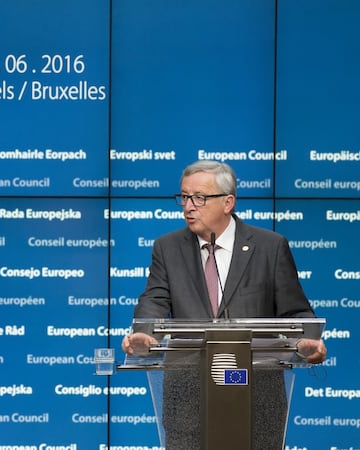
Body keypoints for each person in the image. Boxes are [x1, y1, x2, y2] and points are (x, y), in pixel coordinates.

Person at [121, 160, 326, 449]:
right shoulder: (167, 247)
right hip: (186, 394)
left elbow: (296, 311)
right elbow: (153, 300)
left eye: (200, 198)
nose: (188, 206)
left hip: (257, 392)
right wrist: (145, 333)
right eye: (184, 197)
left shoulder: (270, 247)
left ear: (228, 202)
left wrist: (306, 341)